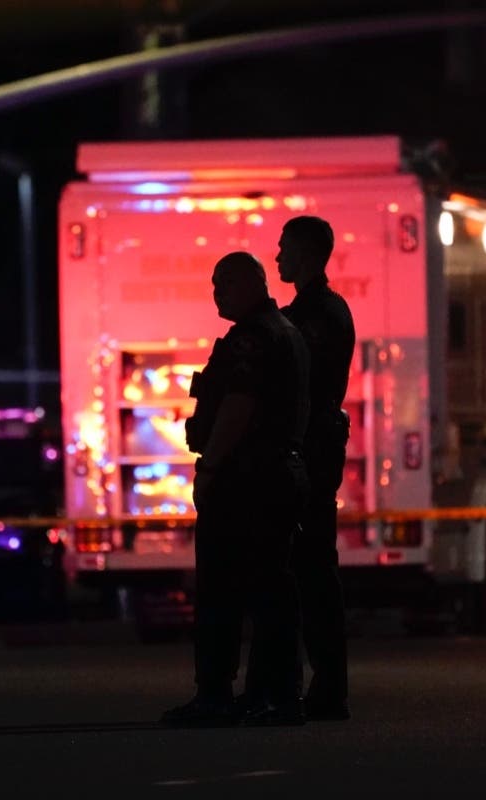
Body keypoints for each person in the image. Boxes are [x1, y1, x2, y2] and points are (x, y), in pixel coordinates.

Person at [161, 251, 310, 727]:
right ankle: (272, 693)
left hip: (246, 481)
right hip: (277, 475)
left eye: (223, 283)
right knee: (272, 591)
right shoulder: (286, 332)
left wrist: (208, 468)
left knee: (225, 593)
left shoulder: (251, 339)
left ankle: (219, 696)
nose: (216, 293)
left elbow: (238, 406)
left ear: (250, 284)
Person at [276, 215, 356, 721]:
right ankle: (322, 684)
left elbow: (298, 388)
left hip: (311, 452)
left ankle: (327, 686)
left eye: (284, 248)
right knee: (308, 570)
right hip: (315, 449)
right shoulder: (322, 309)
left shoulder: (315, 316)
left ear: (305, 255)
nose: (278, 256)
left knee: (311, 572)